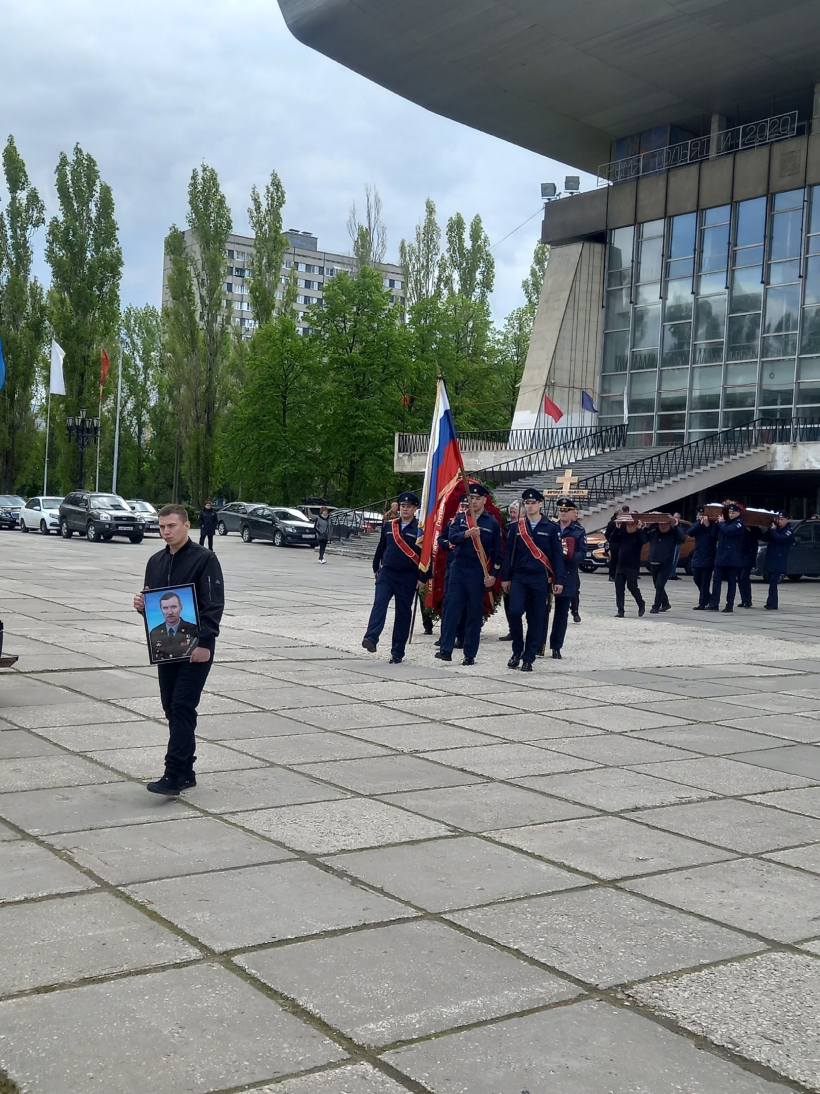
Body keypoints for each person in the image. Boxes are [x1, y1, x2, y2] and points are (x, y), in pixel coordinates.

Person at [134, 504, 224, 796]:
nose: (166, 532)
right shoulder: (155, 561)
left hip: (195, 647)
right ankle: (187, 771)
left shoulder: (205, 559)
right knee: (171, 708)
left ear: (187, 526)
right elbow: (156, 607)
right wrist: (142, 607)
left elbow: (213, 606)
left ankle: (172, 773)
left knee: (183, 706)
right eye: (161, 527)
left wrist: (205, 643)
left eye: (171, 526)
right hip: (166, 648)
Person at [435, 482, 501, 666]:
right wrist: (467, 534)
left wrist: (493, 575)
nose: (473, 501)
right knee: (452, 609)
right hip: (459, 567)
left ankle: (470, 653)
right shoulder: (460, 518)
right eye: (471, 498)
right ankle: (446, 649)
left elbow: (497, 554)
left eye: (477, 498)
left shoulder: (491, 523)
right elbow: (451, 538)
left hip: (478, 572)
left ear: (484, 500)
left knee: (473, 613)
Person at [501, 487, 565, 671]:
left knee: (536, 618)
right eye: (527, 503)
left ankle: (529, 657)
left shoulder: (551, 528)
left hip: (540, 577)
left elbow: (557, 556)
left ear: (540, 504)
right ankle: (517, 650)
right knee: (514, 611)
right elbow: (508, 555)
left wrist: (558, 580)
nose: (529, 506)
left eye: (533, 503)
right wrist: (505, 577)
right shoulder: (516, 527)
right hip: (520, 576)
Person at [362, 491, 425, 664]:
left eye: (409, 506)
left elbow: (427, 556)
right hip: (387, 572)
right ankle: (371, 638)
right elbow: (381, 547)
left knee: (403, 614)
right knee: (379, 604)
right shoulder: (390, 526)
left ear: (415, 508)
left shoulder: (420, 529)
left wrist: (424, 578)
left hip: (408, 576)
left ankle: (397, 651)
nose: (405, 509)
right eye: (403, 506)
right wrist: (376, 567)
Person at [542, 496, 586, 660]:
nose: (563, 513)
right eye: (560, 510)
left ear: (573, 512)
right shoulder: (551, 528)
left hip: (567, 575)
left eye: (566, 510)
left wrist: (570, 556)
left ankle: (556, 646)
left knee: (561, 614)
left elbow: (583, 553)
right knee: (542, 611)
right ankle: (539, 644)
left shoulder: (578, 531)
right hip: (549, 573)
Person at [707, 502, 745, 612]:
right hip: (721, 556)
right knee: (716, 581)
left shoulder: (739, 523)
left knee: (731, 583)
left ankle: (729, 605)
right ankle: (714, 603)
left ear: (738, 513)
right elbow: (714, 535)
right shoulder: (725, 522)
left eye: (733, 513)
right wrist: (715, 523)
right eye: (729, 512)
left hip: (732, 558)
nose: (731, 515)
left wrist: (721, 523)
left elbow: (729, 531)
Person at [609, 514, 647, 617]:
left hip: (632, 567)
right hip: (621, 566)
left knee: (632, 587)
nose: (630, 526)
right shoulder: (623, 534)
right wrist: (617, 528)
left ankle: (641, 603)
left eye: (632, 524)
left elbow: (644, 540)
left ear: (636, 525)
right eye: (628, 524)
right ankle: (620, 610)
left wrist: (639, 530)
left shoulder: (638, 535)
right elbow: (612, 539)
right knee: (619, 588)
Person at [647, 514, 686, 614]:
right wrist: (646, 527)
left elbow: (682, 538)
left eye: (665, 524)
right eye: (661, 524)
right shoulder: (654, 532)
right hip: (654, 562)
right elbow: (643, 538)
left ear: (670, 524)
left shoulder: (673, 533)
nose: (663, 526)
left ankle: (656, 606)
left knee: (660, 585)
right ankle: (665, 603)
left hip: (666, 563)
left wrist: (677, 526)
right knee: (657, 585)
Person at [148, 592, 199, 661]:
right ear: (161, 610)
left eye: (173, 607)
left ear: (181, 608)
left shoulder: (193, 630)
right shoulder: (154, 633)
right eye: (165, 608)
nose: (170, 612)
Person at [762, 511, 794, 610]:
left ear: (787, 520)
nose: (780, 521)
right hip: (771, 558)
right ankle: (772, 603)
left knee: (773, 581)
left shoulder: (788, 531)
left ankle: (771, 603)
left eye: (782, 519)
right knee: (771, 582)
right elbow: (765, 538)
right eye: (779, 519)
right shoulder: (776, 529)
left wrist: (772, 531)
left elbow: (780, 539)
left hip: (779, 560)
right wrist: (768, 529)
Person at [687, 508, 718, 610]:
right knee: (696, 578)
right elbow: (690, 532)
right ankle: (708, 597)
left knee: (705, 581)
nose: (701, 516)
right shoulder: (697, 524)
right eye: (700, 514)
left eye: (703, 514)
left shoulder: (712, 524)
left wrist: (708, 525)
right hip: (698, 555)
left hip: (708, 556)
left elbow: (714, 536)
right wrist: (700, 524)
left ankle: (702, 603)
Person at [498, 500, 520, 641]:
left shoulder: (521, 528)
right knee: (508, 603)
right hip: (508, 569)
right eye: (511, 512)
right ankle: (513, 629)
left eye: (514, 513)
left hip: (519, 570)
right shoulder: (507, 527)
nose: (512, 515)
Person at [737, 521, 762, 608]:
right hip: (739, 554)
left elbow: (759, 536)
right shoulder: (739, 526)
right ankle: (744, 599)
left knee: (744, 577)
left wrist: (749, 529)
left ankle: (748, 600)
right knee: (739, 578)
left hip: (749, 554)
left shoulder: (754, 528)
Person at [605, 506, 630, 582]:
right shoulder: (612, 523)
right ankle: (612, 575)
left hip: (619, 543)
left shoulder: (622, 523)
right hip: (614, 544)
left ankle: (617, 575)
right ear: (618, 515)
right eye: (621, 515)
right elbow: (607, 533)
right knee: (614, 560)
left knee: (619, 560)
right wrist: (610, 540)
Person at [668, 512, 683, 579]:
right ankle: (670, 574)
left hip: (678, 544)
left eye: (677, 517)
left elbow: (681, 534)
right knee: (672, 560)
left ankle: (673, 573)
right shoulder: (671, 525)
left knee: (676, 560)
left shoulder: (680, 525)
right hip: (673, 544)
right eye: (674, 517)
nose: (675, 519)